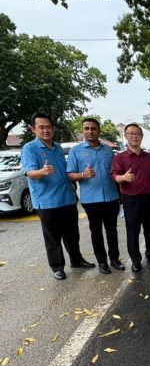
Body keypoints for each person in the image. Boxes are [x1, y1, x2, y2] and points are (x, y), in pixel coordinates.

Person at [21, 111, 94, 280]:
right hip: (46, 202)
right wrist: (42, 171)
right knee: (52, 237)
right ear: (34, 129)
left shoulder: (57, 147)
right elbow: (29, 172)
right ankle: (57, 267)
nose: (45, 130)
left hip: (67, 198)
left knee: (72, 234)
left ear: (53, 129)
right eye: (41, 127)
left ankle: (76, 260)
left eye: (48, 127)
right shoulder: (29, 148)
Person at [67, 117, 125, 274]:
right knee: (96, 232)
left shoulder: (108, 150)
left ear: (99, 131)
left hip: (111, 198)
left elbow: (115, 172)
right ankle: (102, 262)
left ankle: (114, 259)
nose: (90, 131)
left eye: (93, 128)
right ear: (82, 131)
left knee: (112, 231)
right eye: (86, 128)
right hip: (91, 200)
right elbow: (70, 175)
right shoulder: (75, 151)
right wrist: (82, 175)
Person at [110, 123, 150, 272]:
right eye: (131, 133)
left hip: (148, 198)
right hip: (130, 200)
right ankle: (136, 260)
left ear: (141, 137)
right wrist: (123, 177)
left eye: (137, 134)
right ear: (125, 136)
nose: (134, 136)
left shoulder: (148, 156)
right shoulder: (120, 157)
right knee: (132, 231)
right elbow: (114, 175)